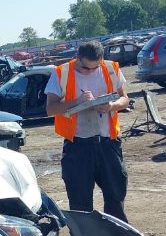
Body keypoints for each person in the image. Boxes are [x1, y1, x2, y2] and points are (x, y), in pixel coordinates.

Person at [45, 40, 131, 222]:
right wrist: (77, 101)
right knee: (80, 202)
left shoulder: (110, 68)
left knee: (116, 197)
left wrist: (112, 106)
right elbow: (51, 109)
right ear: (77, 58)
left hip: (108, 144)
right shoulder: (61, 73)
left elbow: (125, 99)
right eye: (86, 68)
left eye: (95, 68)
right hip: (78, 146)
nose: (90, 72)